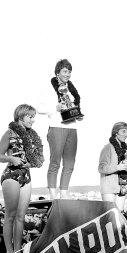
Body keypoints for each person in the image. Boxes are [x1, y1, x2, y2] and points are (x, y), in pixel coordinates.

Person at [0, 104, 44, 253]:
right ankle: (9, 251)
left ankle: (17, 250)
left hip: (26, 176)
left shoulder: (32, 136)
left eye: (33, 117)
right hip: (11, 175)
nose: (33, 120)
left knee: (21, 216)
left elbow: (38, 158)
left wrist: (32, 163)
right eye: (30, 117)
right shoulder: (9, 133)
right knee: (10, 215)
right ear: (21, 116)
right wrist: (11, 158)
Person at [37, 59, 83, 199]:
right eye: (64, 71)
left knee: (70, 163)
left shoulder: (72, 89)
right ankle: (52, 193)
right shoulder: (49, 87)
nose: (67, 74)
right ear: (57, 73)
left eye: (69, 72)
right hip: (56, 127)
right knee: (55, 162)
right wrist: (55, 108)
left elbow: (73, 105)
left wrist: (78, 114)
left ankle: (64, 192)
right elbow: (40, 108)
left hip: (72, 127)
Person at [98, 122, 127, 211]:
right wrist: (118, 167)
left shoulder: (126, 150)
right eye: (123, 131)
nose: (126, 135)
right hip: (109, 189)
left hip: (122, 187)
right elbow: (101, 168)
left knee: (119, 216)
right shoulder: (107, 147)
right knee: (110, 216)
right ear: (116, 132)